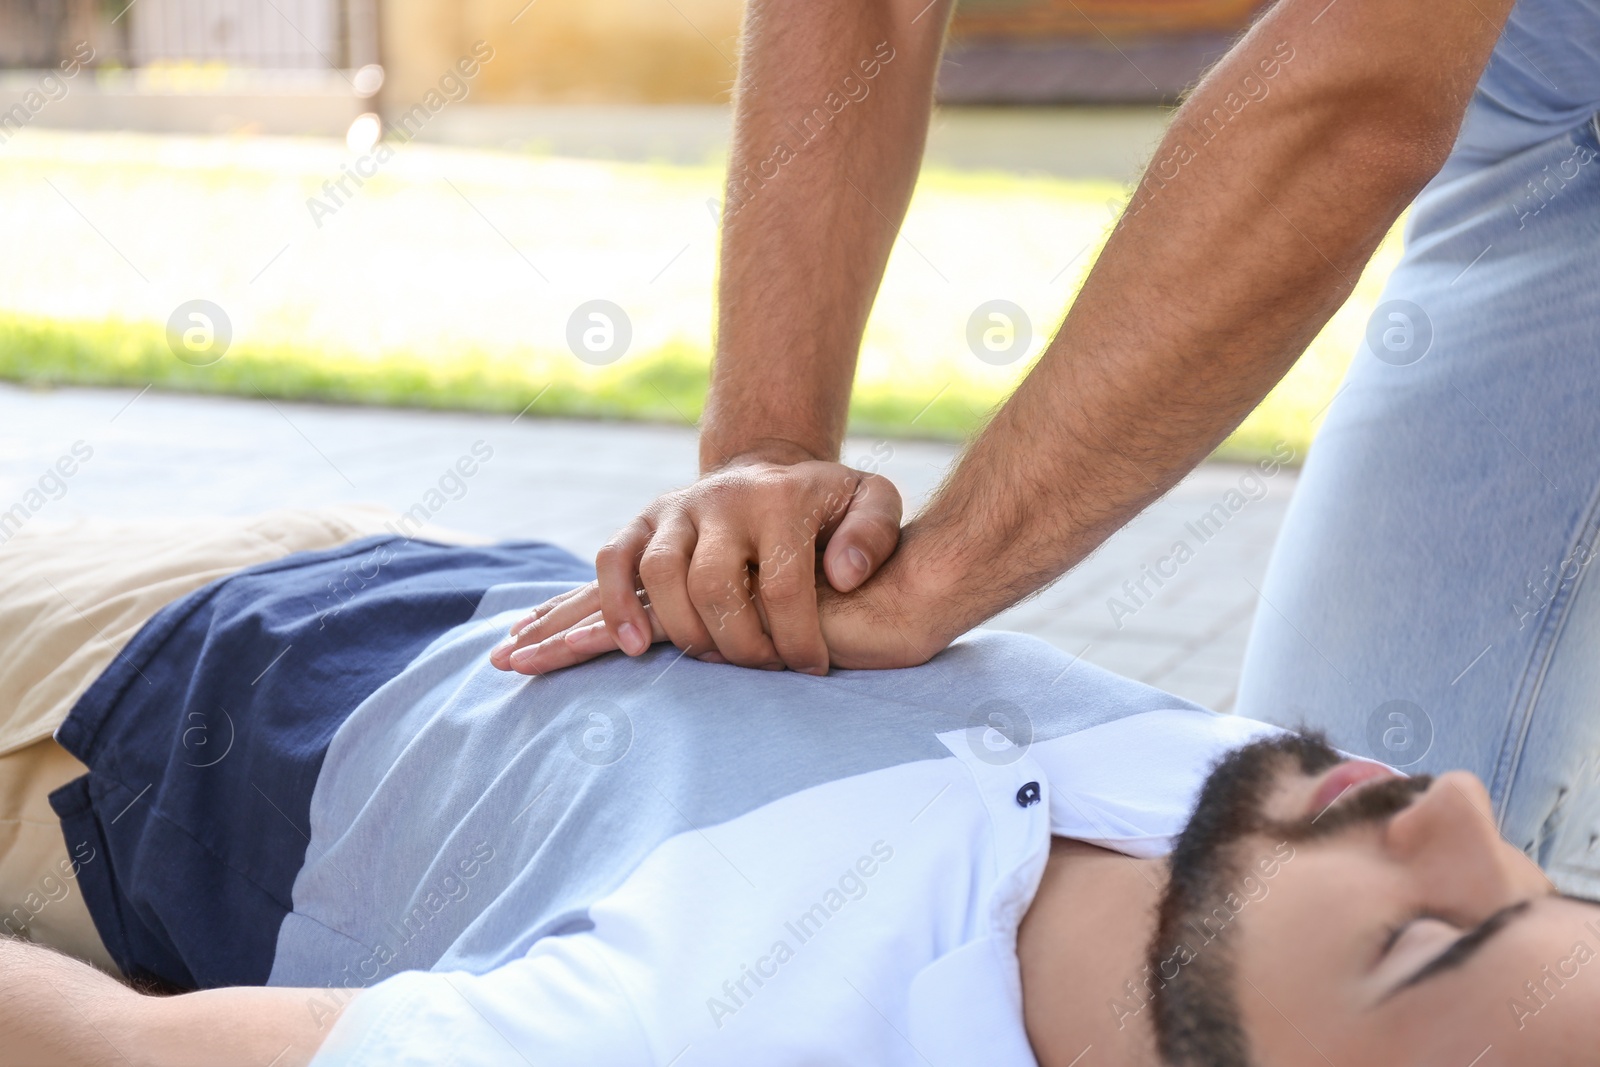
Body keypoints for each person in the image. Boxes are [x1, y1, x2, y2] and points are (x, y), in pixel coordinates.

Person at [505, 0, 1600, 902]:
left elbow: (1358, 91)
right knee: (1331, 886)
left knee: (1363, 907)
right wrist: (765, 461)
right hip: (1538, 84)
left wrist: (941, 574)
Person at [1, 510, 1597, 1065]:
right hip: (431, 563)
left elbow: (109, 1045)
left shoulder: (724, 1026)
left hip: (132, 687)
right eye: (1534, 882)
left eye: (1431, 933)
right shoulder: (1252, 818)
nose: (1453, 808)